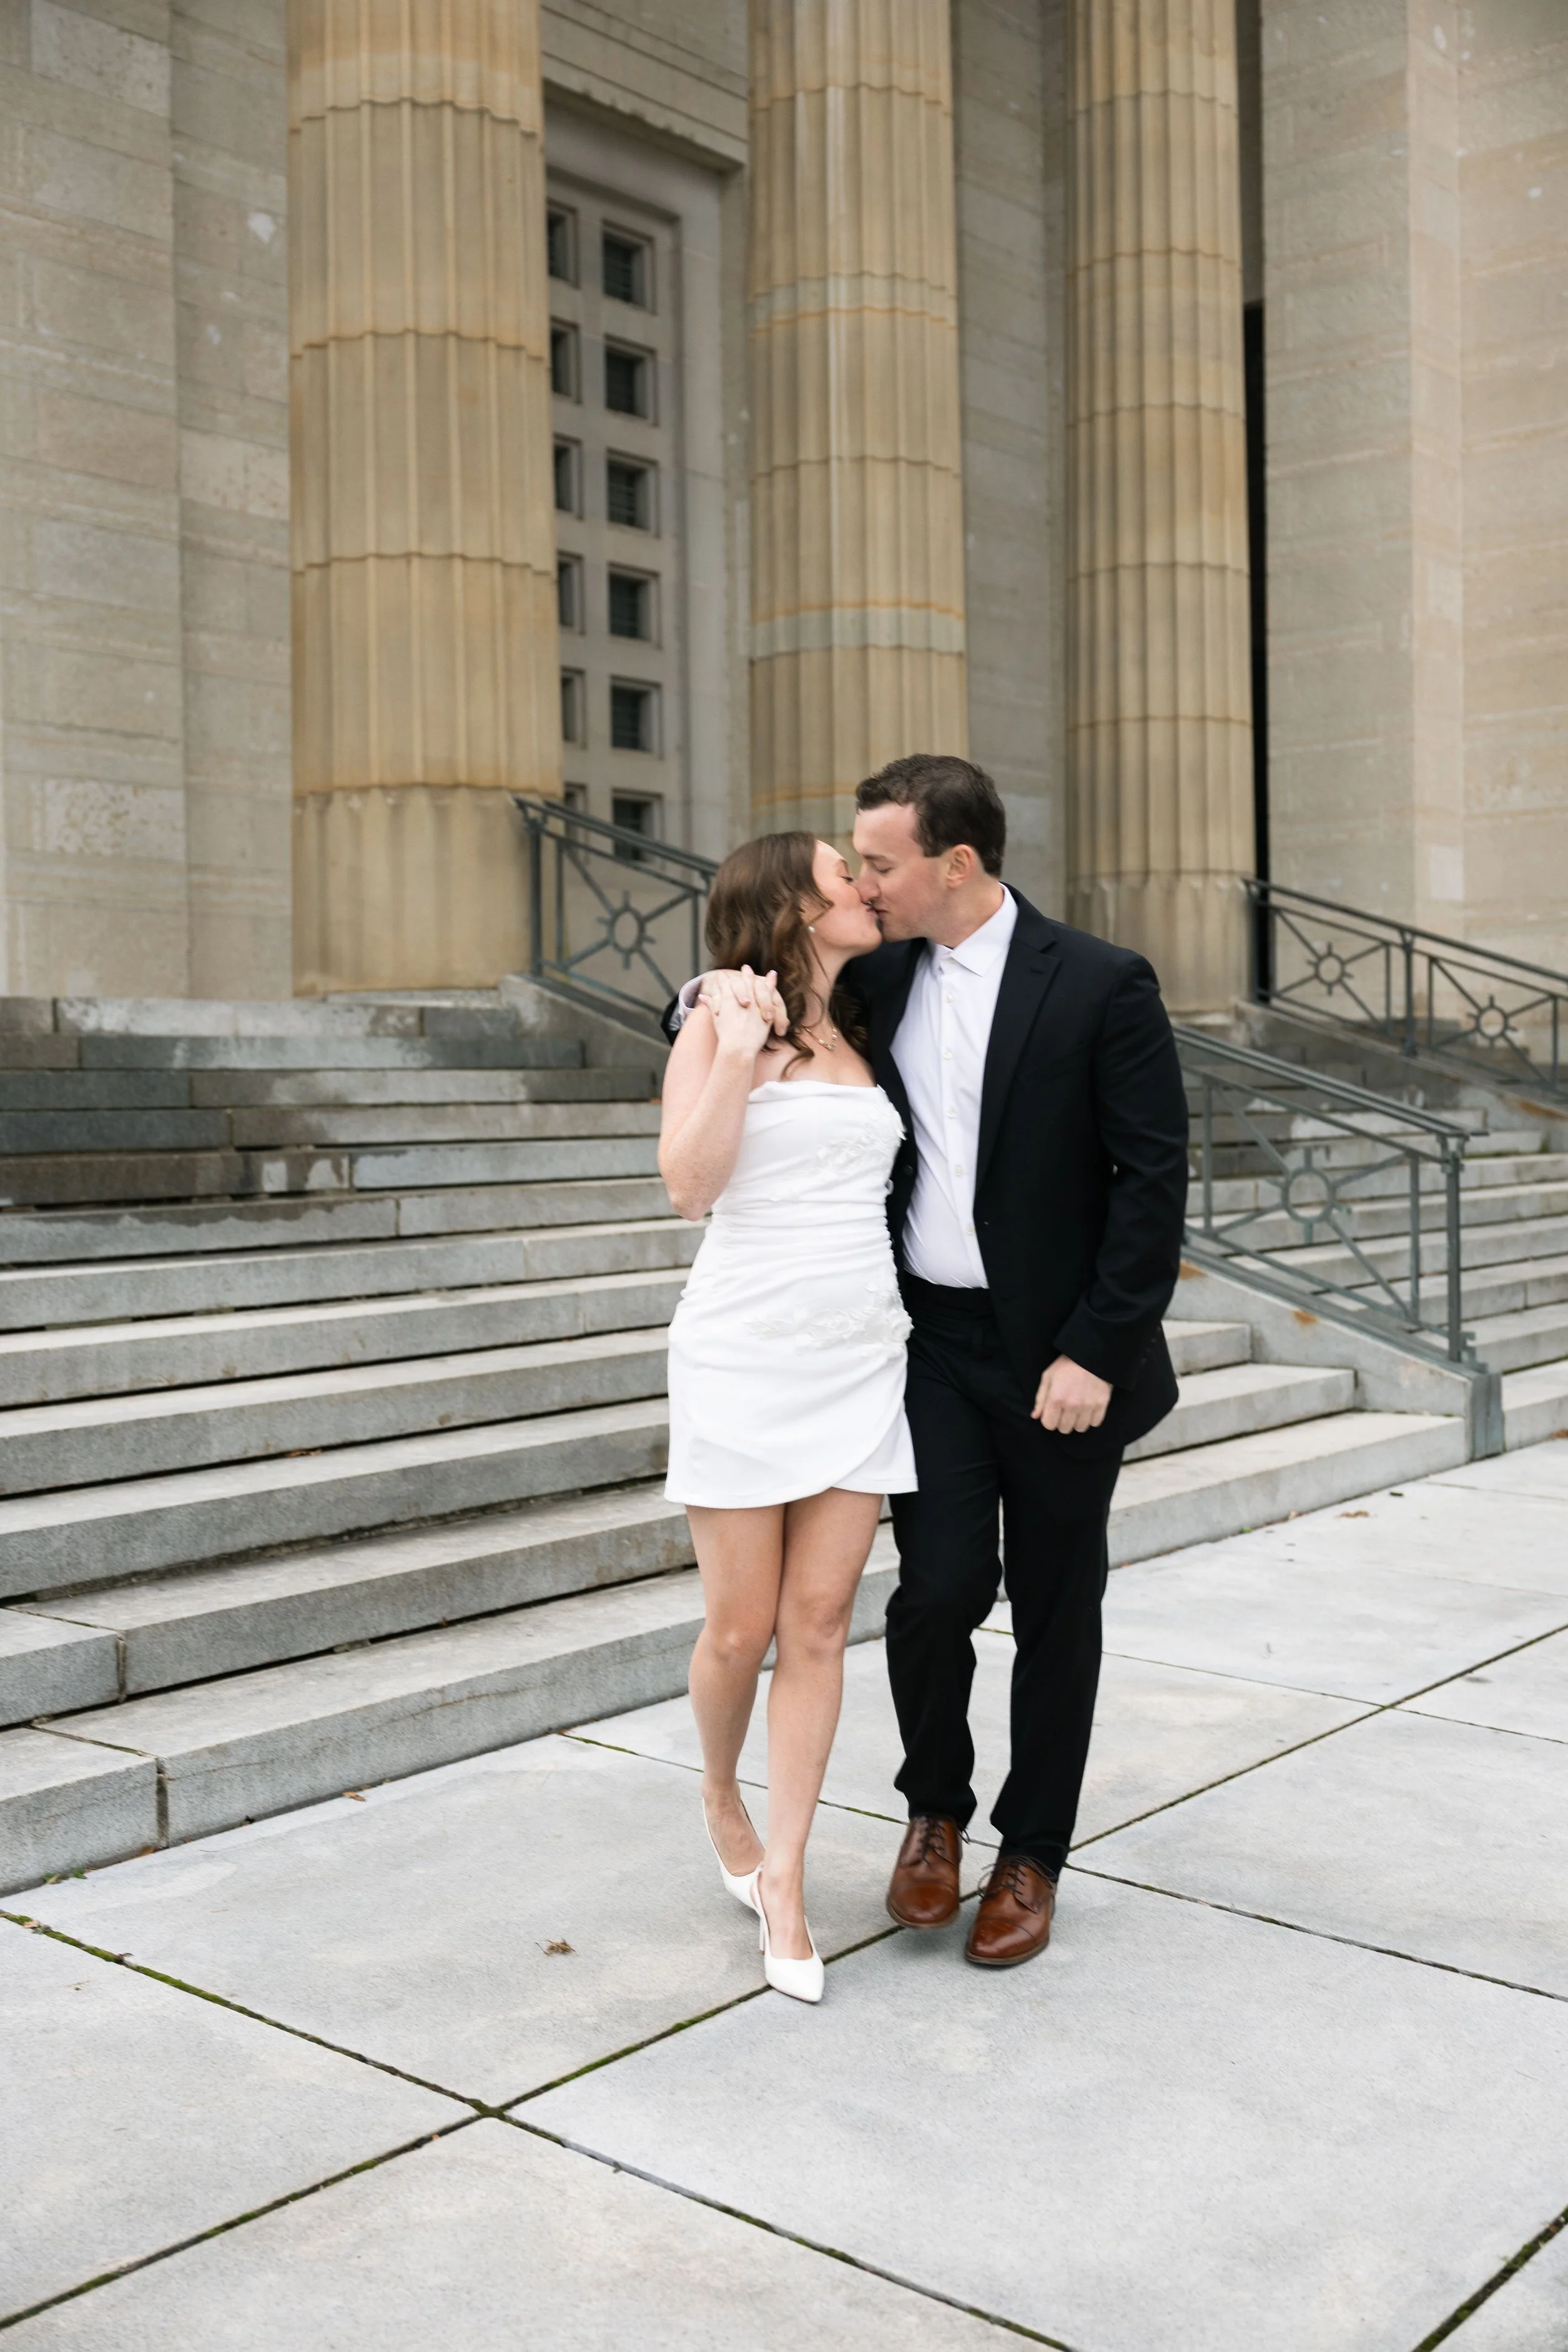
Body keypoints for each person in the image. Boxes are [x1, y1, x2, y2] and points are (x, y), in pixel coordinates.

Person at [674, 755, 1189, 1970]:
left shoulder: (1101, 983)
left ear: (956, 864)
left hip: (1059, 1361)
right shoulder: (878, 975)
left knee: (1057, 1608)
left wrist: (1093, 1350)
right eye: (851, 866)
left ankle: (1032, 1852)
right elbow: (744, 996)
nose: (864, 881)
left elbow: (1151, 1180)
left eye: (882, 863)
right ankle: (932, 1814)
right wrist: (703, 999)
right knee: (937, 1590)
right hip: (923, 1346)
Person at [658, 830, 918, 2004]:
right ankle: (720, 1796)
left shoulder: (871, 1017)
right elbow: (690, 1186)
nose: (864, 887)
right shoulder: (718, 1017)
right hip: (744, 1351)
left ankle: (791, 1876)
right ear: (789, 905)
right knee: (738, 1629)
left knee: (818, 1627)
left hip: (862, 1357)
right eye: (841, 876)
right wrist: (737, 1049)